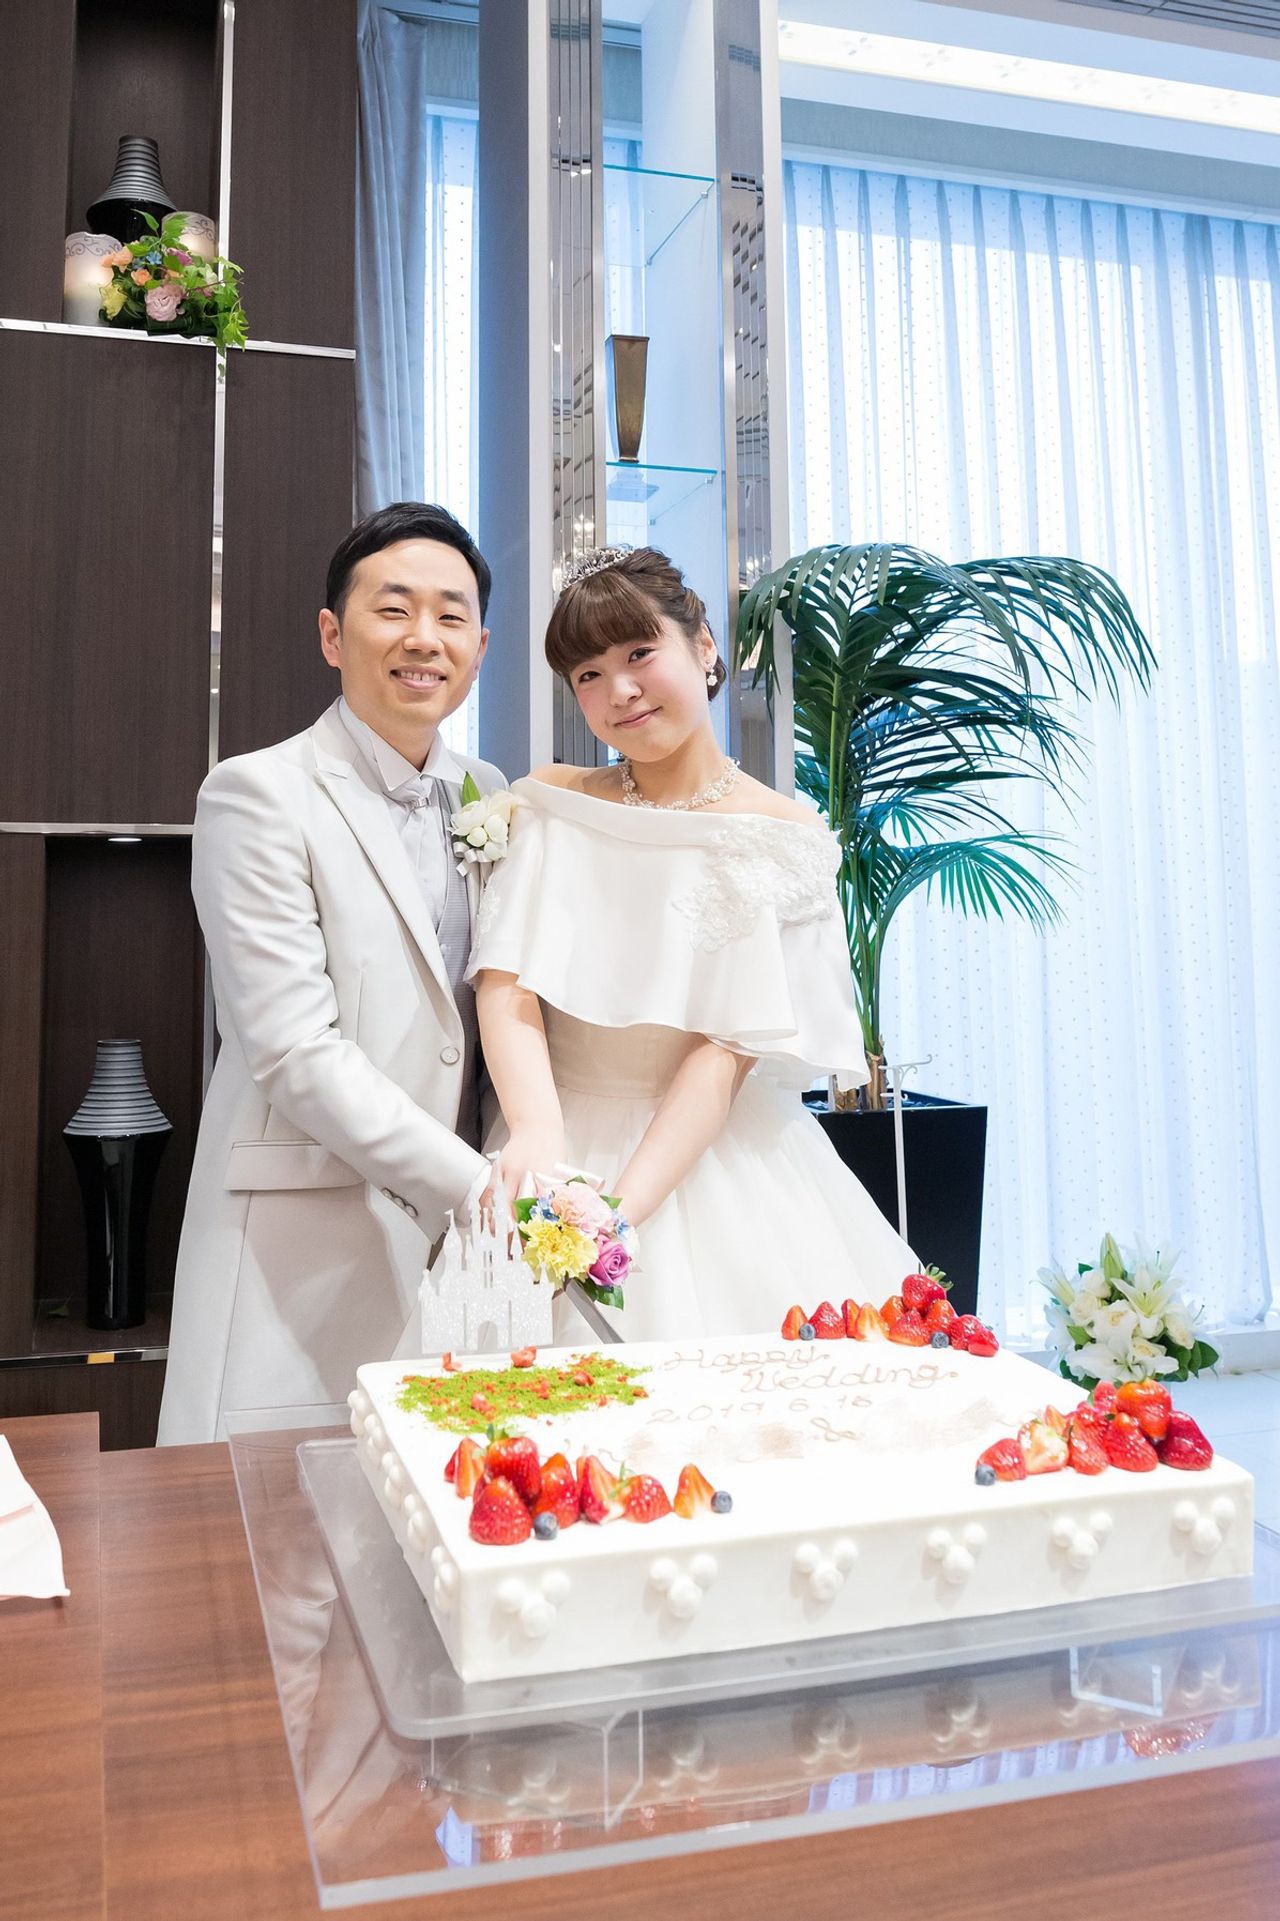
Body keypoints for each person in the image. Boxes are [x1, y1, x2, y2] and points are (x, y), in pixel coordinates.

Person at [468, 545, 916, 1342]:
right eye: (589, 674)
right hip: (551, 1136)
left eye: (640, 653)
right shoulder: (553, 801)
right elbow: (506, 979)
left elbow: (725, 1052)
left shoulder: (783, 834)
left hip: (715, 1157)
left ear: (704, 646)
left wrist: (611, 1218)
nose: (620, 691)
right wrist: (539, 1137)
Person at [158, 503, 505, 1443]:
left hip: (463, 1264)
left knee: (435, 1515)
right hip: (303, 1244)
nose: (424, 637)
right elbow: (291, 1049)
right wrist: (477, 1187)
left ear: (479, 646)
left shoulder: (493, 793)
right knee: (278, 1522)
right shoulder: (257, 793)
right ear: (331, 634)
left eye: (451, 614)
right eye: (393, 609)